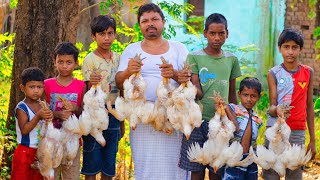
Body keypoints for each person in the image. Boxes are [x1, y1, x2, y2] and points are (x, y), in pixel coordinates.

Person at [115, 3, 190, 179]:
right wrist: (128, 72)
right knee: (145, 163)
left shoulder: (178, 48)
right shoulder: (131, 50)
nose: (150, 24)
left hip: (172, 116)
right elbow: (119, 82)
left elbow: (189, 80)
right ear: (140, 25)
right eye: (145, 21)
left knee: (173, 165)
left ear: (163, 22)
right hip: (141, 117)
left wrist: (175, 74)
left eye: (155, 19)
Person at [178, 13, 241, 180]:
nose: (217, 38)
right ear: (205, 33)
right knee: (196, 169)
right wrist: (185, 82)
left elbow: (232, 92)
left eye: (221, 33)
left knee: (216, 168)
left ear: (227, 34)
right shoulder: (194, 57)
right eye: (212, 33)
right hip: (197, 121)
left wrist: (235, 118)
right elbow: (196, 91)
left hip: (222, 123)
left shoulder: (231, 59)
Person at [262, 28, 316, 180]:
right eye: (286, 47)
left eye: (294, 47)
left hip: (297, 130)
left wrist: (312, 139)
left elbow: (309, 106)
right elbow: (272, 107)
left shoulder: (308, 72)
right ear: (280, 49)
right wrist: (277, 109)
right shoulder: (274, 73)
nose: (290, 52)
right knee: (272, 171)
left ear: (300, 49)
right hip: (276, 130)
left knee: (294, 172)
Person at [81, 15, 124, 180]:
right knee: (92, 160)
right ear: (93, 36)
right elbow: (86, 91)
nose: (106, 38)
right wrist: (91, 84)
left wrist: (121, 123)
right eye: (101, 34)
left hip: (114, 112)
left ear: (115, 34)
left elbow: (121, 90)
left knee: (109, 161)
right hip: (94, 114)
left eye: (110, 33)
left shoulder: (119, 58)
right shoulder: (89, 60)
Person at [44, 42, 85, 180]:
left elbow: (84, 113)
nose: (64, 65)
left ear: (76, 63)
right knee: (51, 175)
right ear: (54, 62)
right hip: (51, 140)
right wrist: (57, 114)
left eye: (69, 62)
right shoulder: (47, 84)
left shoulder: (81, 85)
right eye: (60, 62)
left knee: (72, 176)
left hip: (72, 141)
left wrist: (75, 108)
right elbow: (42, 111)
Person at [11, 67, 53, 180]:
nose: (36, 90)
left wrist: (49, 117)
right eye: (31, 87)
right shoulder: (21, 108)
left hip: (40, 152)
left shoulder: (43, 105)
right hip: (25, 152)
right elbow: (24, 129)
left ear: (43, 88)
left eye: (39, 87)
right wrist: (38, 116)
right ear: (22, 88)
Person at [222, 77, 262, 180]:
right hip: (234, 158)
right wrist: (224, 107)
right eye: (245, 95)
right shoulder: (233, 109)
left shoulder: (257, 119)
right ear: (239, 94)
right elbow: (234, 128)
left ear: (259, 97)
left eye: (253, 96)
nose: (249, 99)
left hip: (250, 159)